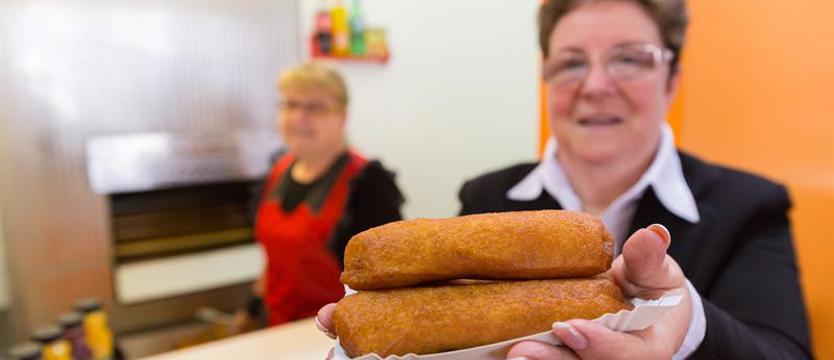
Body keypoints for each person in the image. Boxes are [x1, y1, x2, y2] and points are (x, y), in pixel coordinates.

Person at [317, 0, 812, 358]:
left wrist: (685, 327)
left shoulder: (750, 205)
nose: (596, 86)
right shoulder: (485, 195)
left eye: (630, 57)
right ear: (546, 78)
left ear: (673, 80)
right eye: (571, 62)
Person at [236, 62, 404, 330]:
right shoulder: (277, 171)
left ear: (342, 117)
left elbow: (389, 282)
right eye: (290, 105)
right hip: (275, 330)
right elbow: (275, 262)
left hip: (335, 335)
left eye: (314, 107)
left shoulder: (368, 183)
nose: (298, 117)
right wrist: (249, 310)